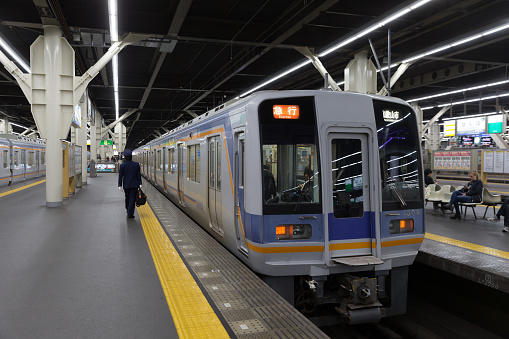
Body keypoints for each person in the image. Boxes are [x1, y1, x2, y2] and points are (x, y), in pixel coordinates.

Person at [118, 149, 142, 219]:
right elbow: (138, 175)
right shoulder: (136, 164)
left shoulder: (122, 165)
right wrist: (140, 183)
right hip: (134, 184)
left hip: (126, 185)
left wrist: (120, 185)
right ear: (131, 157)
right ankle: (130, 212)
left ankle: (128, 211)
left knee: (127, 197)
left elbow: (120, 176)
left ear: (125, 157)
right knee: (132, 198)